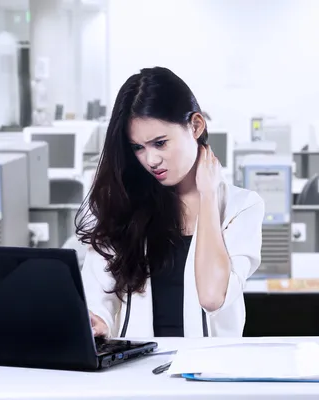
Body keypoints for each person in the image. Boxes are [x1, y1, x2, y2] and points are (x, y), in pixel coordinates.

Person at [75, 66, 264, 338]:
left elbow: (212, 297)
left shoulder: (241, 207)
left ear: (196, 126)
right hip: (137, 372)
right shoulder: (121, 203)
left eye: (160, 143)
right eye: (138, 148)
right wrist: (100, 321)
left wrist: (208, 196)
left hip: (210, 372)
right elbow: (98, 296)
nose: (150, 160)